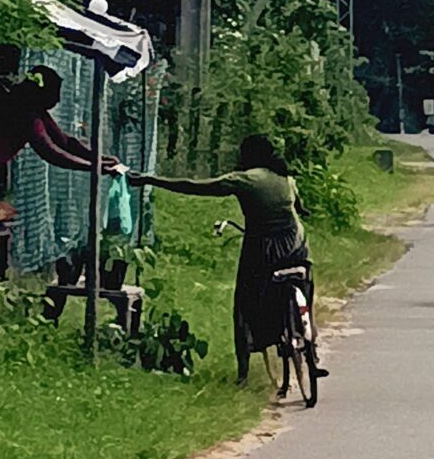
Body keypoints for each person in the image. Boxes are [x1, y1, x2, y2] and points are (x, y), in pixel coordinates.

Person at [131, 135, 318, 386]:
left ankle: (243, 373)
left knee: (245, 303)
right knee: (304, 285)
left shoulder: (242, 180)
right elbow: (300, 207)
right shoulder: (286, 179)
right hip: (296, 246)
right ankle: (310, 340)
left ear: (247, 156)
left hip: (263, 249)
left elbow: (194, 186)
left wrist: (151, 179)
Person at [0, 50, 123, 283]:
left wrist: (100, 158)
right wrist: (94, 167)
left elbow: (65, 142)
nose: (58, 100)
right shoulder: (25, 112)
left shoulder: (34, 110)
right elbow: (51, 152)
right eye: (55, 92)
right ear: (40, 91)